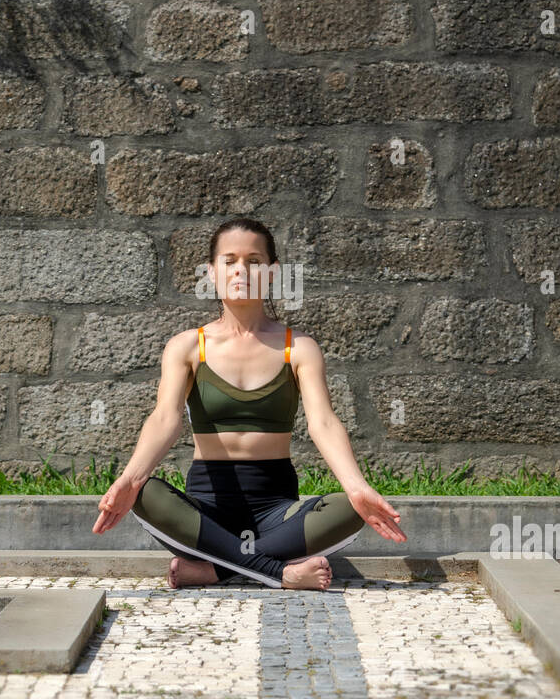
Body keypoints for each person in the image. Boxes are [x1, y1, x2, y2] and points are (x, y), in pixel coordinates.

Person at [92, 217, 407, 590]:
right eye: (230, 261)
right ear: (211, 272)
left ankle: (214, 569)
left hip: (278, 512)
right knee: (145, 492)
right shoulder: (188, 346)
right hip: (206, 515)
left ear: (272, 272)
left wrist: (356, 486)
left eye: (254, 261)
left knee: (350, 509)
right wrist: (129, 478)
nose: (241, 270)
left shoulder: (299, 347)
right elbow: (165, 418)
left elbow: (323, 422)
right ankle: (280, 572)